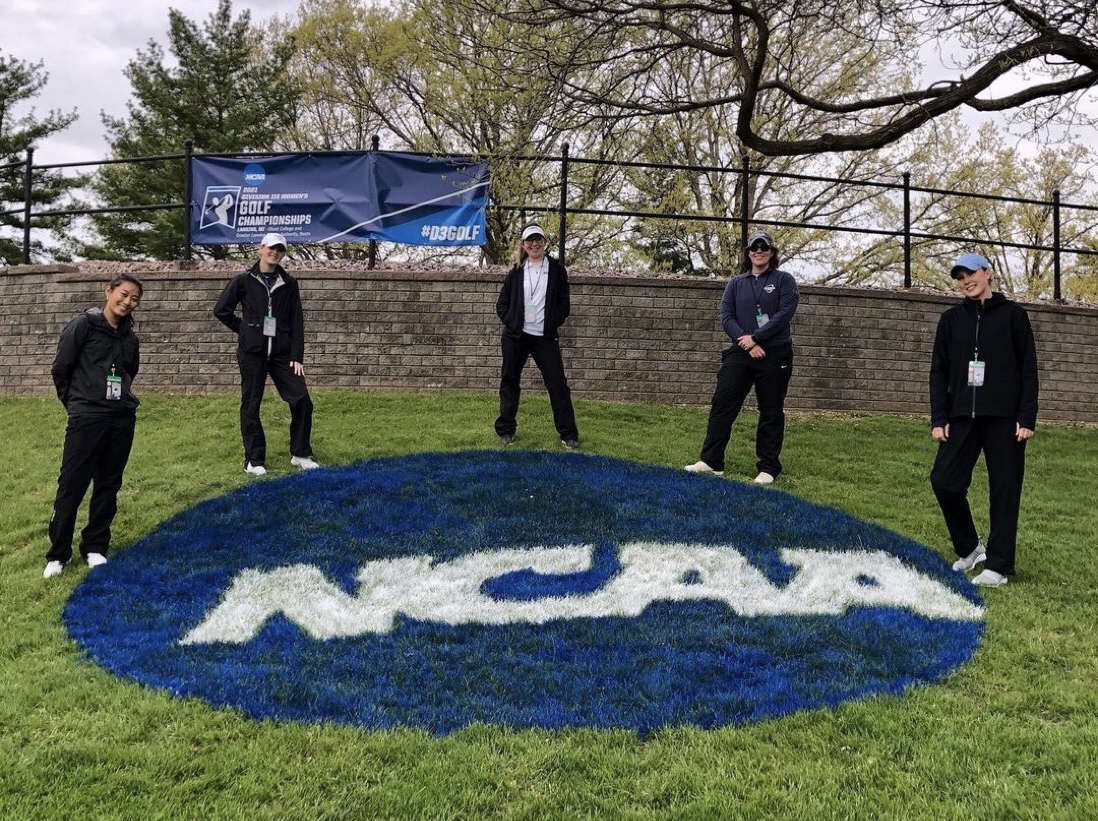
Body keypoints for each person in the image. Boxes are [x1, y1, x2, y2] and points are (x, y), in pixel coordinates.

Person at [930, 252, 1038, 587]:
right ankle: (971, 548)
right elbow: (939, 371)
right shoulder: (950, 320)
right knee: (944, 480)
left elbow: (1028, 369)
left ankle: (999, 565)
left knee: (1004, 489)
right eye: (960, 277)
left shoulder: (1013, 316)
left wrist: (1026, 416)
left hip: (1004, 418)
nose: (966, 282)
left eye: (971, 274)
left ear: (988, 273)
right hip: (962, 416)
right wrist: (940, 416)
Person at [44, 274, 144, 579]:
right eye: (123, 294)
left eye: (134, 299)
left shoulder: (130, 338)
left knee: (108, 484)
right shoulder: (83, 326)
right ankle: (57, 554)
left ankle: (95, 546)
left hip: (121, 419)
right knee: (71, 486)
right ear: (109, 292)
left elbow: (130, 372)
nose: (127, 302)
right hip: (87, 417)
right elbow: (61, 369)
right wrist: (76, 405)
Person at [685, 229, 800, 483]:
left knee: (770, 409)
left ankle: (768, 468)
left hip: (775, 353)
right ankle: (712, 461)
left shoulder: (784, 280)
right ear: (748, 253)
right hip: (740, 351)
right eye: (754, 248)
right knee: (722, 404)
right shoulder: (736, 283)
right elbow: (727, 317)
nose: (759, 251)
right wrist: (747, 343)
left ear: (772, 252)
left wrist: (757, 338)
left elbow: (784, 314)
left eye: (764, 247)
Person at [214, 232, 319, 475]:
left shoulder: (289, 283)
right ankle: (254, 459)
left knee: (302, 399)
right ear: (261, 249)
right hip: (252, 353)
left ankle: (301, 454)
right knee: (251, 404)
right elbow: (221, 310)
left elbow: (296, 319)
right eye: (271, 248)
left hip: (282, 354)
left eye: (280, 249)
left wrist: (297, 356)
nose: (275, 252)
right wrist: (245, 330)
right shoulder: (243, 280)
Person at [494, 224, 580, 449]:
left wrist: (552, 323)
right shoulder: (515, 270)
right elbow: (502, 304)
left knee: (557, 384)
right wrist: (513, 322)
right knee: (510, 381)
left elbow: (564, 305)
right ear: (523, 244)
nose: (534, 243)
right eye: (529, 240)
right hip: (516, 337)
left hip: (544, 337)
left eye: (538, 239)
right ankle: (506, 430)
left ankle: (568, 434)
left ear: (545, 242)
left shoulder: (557, 270)